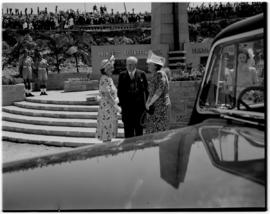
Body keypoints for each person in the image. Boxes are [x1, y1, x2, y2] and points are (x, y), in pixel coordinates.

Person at [117, 56, 148, 138]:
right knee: (128, 132)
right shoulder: (122, 75)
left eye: (131, 64)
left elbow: (146, 91)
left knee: (139, 132)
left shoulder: (142, 74)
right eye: (127, 64)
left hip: (139, 110)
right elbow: (119, 92)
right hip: (127, 110)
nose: (129, 66)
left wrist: (147, 105)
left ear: (135, 65)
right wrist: (121, 106)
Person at [96, 56, 121, 143]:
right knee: (106, 133)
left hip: (109, 109)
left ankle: (107, 151)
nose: (112, 69)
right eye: (110, 68)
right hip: (107, 109)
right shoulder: (104, 78)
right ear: (105, 69)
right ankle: (106, 152)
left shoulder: (108, 78)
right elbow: (107, 95)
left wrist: (116, 99)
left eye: (112, 67)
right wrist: (116, 106)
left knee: (108, 132)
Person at [145, 50, 171, 134]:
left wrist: (149, 103)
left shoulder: (160, 74)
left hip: (160, 107)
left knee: (158, 130)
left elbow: (159, 91)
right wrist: (148, 102)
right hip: (156, 107)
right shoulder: (156, 74)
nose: (148, 65)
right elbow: (152, 92)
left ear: (155, 66)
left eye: (150, 64)